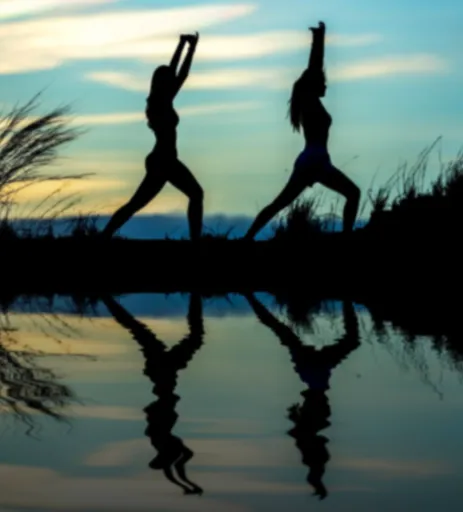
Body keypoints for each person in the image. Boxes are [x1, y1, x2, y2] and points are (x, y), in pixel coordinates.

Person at [244, 21, 360, 239]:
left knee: (280, 203)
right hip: (314, 160)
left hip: (315, 160)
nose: (326, 85)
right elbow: (315, 66)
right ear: (314, 85)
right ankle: (347, 237)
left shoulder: (312, 103)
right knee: (353, 193)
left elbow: (315, 69)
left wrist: (319, 38)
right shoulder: (309, 102)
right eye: (323, 82)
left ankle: (247, 237)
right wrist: (319, 39)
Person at [245, 293, 360, 499]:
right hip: (313, 371)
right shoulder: (309, 432)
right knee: (281, 330)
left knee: (282, 331)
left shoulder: (312, 431)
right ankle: (250, 298)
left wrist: (317, 480)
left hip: (315, 371)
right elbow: (311, 451)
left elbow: (314, 457)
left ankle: (347, 300)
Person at [102, 33, 204, 240]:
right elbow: (180, 74)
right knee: (138, 203)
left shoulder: (162, 99)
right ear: (162, 83)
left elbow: (175, 71)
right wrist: (189, 48)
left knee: (193, 195)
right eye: (168, 79)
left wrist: (183, 45)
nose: (172, 81)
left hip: (166, 160)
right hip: (163, 161)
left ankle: (104, 235)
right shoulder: (160, 102)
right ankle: (103, 236)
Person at [101, 293, 204, 495]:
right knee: (145, 332)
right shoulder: (170, 448)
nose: (166, 463)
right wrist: (187, 485)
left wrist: (187, 485)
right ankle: (195, 295)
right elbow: (178, 465)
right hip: (166, 373)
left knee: (141, 331)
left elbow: (176, 466)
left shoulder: (161, 441)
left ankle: (106, 299)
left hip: (162, 372)